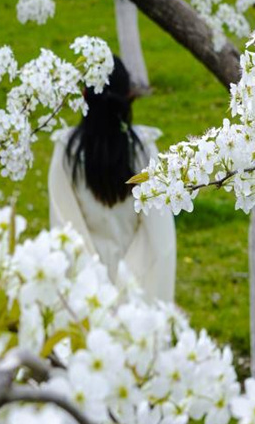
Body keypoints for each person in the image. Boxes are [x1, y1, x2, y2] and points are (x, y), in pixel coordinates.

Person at [48, 56, 175, 302]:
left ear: (84, 95)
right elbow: (159, 236)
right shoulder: (142, 151)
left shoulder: (68, 153)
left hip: (85, 291)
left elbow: (64, 225)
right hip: (138, 286)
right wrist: (125, 285)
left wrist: (98, 287)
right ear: (128, 97)